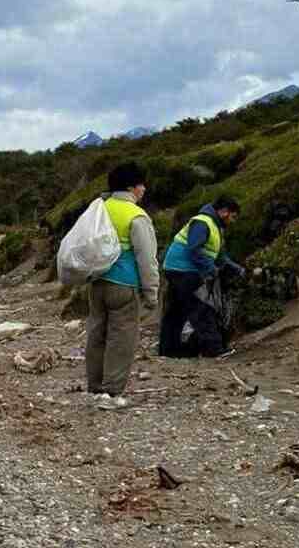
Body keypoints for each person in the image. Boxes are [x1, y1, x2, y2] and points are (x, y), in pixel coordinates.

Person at [85, 162, 159, 409]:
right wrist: (151, 293)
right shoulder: (136, 215)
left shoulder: (101, 208)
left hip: (96, 282)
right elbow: (146, 259)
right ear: (131, 187)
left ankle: (94, 388)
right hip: (124, 284)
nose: (144, 189)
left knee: (97, 334)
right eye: (141, 184)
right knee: (121, 337)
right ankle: (111, 393)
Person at [160, 195, 245, 358]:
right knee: (201, 308)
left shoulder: (215, 227)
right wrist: (211, 269)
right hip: (185, 270)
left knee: (176, 310)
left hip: (176, 268)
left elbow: (220, 256)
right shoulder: (203, 222)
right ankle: (214, 349)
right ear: (224, 212)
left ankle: (169, 350)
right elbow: (194, 250)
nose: (233, 221)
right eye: (233, 217)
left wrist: (237, 269)